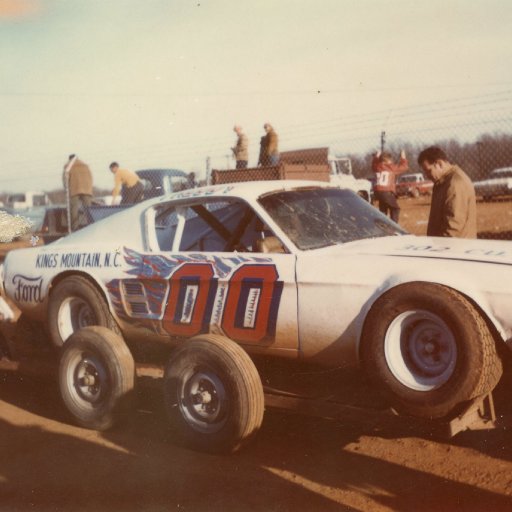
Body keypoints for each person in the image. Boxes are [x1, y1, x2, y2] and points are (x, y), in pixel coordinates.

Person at [418, 146, 477, 238]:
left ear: (439, 164)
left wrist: (439, 249)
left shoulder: (455, 184)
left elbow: (454, 226)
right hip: (448, 246)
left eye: (429, 171)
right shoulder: (443, 182)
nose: (427, 176)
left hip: (456, 248)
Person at [372, 149, 409, 223]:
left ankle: (383, 225)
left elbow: (374, 162)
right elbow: (404, 167)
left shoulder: (376, 167)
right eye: (390, 161)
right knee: (395, 208)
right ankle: (394, 226)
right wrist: (403, 157)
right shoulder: (391, 167)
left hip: (377, 192)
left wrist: (377, 156)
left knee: (383, 209)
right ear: (386, 161)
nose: (391, 162)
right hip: (386, 192)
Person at [63, 154, 93, 231]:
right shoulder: (85, 165)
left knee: (74, 209)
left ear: (70, 160)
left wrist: (66, 189)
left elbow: (65, 179)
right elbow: (90, 177)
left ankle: (74, 228)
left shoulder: (68, 166)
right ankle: (91, 224)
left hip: (74, 189)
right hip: (87, 189)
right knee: (89, 208)